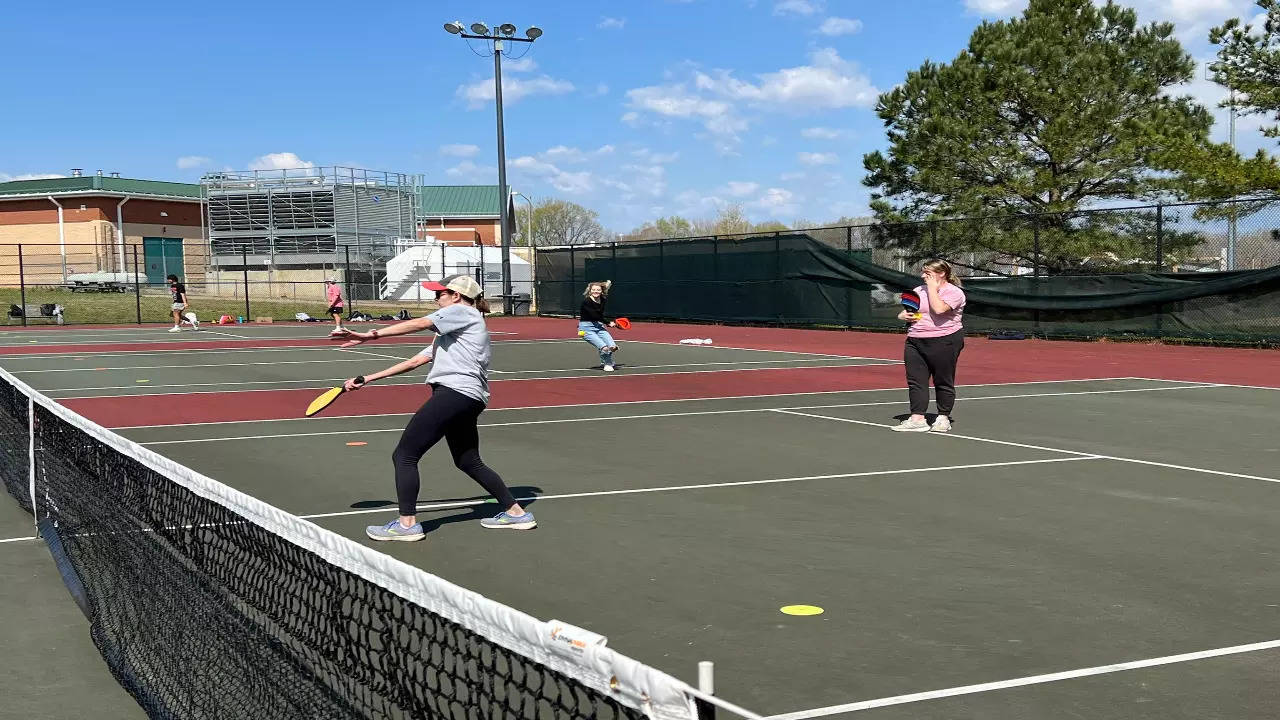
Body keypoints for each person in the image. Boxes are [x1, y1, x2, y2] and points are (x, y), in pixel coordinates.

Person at [338, 273, 534, 541]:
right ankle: (516, 513)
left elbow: (420, 323)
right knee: (468, 461)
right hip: (469, 398)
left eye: (440, 294)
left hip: (454, 394)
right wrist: (367, 379)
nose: (435, 298)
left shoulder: (463, 313)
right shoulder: (453, 331)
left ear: (456, 296)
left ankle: (406, 525)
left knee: (404, 455)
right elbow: (414, 361)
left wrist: (371, 334)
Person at [892, 259, 966, 433]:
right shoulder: (918, 290)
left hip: (945, 340)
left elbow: (939, 310)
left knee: (943, 380)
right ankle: (918, 418)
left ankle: (943, 418)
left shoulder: (954, 292)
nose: (923, 276)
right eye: (923, 272)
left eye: (928, 273)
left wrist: (933, 289)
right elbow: (913, 312)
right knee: (916, 381)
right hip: (915, 340)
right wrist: (904, 315)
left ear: (941, 274)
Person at [579, 280, 619, 372]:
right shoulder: (586, 302)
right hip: (586, 329)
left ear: (601, 291)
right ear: (590, 291)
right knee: (604, 347)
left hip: (599, 326)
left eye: (598, 290)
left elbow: (600, 314)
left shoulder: (603, 300)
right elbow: (595, 315)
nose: (595, 291)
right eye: (593, 290)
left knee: (612, 346)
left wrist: (605, 323)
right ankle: (607, 364)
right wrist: (608, 323)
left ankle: (604, 360)